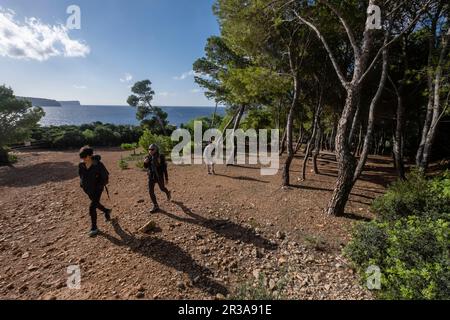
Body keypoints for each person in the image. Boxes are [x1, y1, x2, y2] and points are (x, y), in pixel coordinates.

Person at [78, 146, 112, 237]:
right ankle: (106, 211)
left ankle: (94, 228)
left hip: (97, 189)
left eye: (84, 157)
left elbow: (106, 178)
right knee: (96, 204)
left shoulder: (98, 165)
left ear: (90, 155)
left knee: (92, 207)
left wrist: (98, 186)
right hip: (88, 190)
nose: (83, 159)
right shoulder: (81, 165)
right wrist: (82, 184)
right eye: (82, 157)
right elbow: (81, 176)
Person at [144, 144, 171, 213]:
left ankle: (168, 193)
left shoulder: (161, 156)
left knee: (162, 188)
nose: (150, 151)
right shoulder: (148, 157)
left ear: (156, 150)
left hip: (159, 176)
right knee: (150, 191)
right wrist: (145, 162)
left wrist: (166, 178)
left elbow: (165, 168)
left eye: (152, 149)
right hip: (151, 177)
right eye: (149, 149)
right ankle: (155, 205)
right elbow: (146, 167)